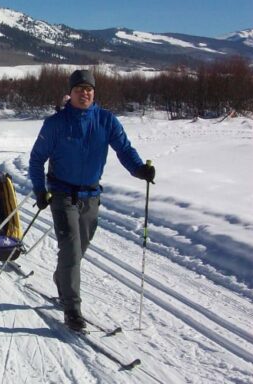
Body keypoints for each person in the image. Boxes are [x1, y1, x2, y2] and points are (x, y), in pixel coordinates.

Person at [28, 69, 155, 331]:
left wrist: (139, 169)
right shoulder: (56, 123)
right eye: (79, 89)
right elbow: (36, 159)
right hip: (62, 194)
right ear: (70, 93)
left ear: (94, 93)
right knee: (72, 250)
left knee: (79, 250)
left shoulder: (106, 120)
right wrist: (40, 190)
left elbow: (124, 148)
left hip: (91, 195)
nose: (84, 93)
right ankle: (72, 309)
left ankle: (62, 279)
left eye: (88, 89)